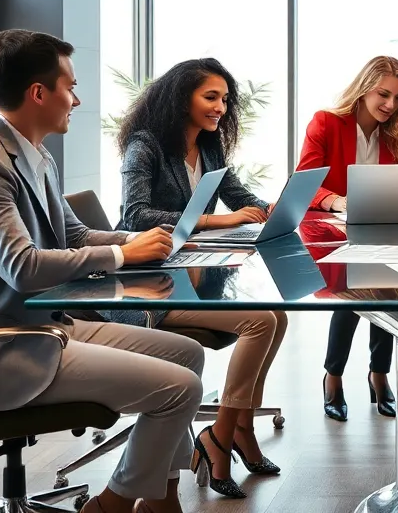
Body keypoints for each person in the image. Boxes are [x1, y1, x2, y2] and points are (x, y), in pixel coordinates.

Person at [0, 30, 203, 513]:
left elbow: (73, 237)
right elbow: (23, 266)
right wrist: (122, 256)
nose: (76, 99)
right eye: (70, 87)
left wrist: (137, 243)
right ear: (38, 93)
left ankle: (160, 500)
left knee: (188, 355)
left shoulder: (35, 154)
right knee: (182, 389)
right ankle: (112, 506)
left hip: (45, 327)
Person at [114, 58, 289, 499]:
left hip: (191, 273)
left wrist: (275, 209)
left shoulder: (208, 146)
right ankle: (219, 436)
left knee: (279, 315)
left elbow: (240, 197)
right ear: (181, 98)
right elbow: (134, 216)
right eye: (211, 97)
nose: (220, 108)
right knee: (261, 321)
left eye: (225, 99)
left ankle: (241, 429)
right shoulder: (145, 144)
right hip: (151, 284)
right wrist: (215, 222)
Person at [295, 55, 398, 421]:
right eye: (383, 94)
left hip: (377, 231)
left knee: (396, 291)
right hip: (331, 235)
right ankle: (333, 378)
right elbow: (305, 179)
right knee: (349, 294)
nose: (390, 105)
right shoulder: (327, 122)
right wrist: (334, 200)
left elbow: (393, 187)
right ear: (364, 88)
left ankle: (379, 375)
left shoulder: (393, 135)